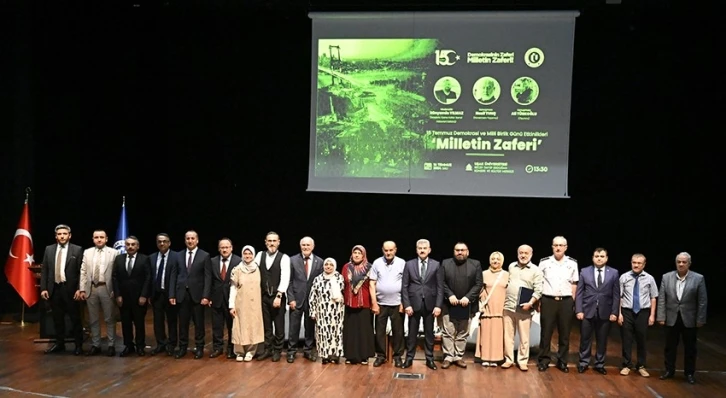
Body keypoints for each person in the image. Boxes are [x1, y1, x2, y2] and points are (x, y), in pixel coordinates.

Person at [657, 252, 708, 384]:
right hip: (671, 317)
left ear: (689, 264)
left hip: (689, 318)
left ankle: (689, 373)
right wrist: (661, 316)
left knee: (690, 348)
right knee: (670, 347)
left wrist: (700, 319)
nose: (681, 264)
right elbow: (662, 298)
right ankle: (669, 370)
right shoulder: (666, 277)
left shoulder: (698, 278)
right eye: (679, 261)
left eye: (684, 262)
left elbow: (702, 301)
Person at [40, 224, 84, 355]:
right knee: (57, 319)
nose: (62, 236)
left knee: (75, 318)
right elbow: (45, 270)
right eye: (59, 234)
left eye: (65, 234)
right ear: (56, 236)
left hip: (70, 289)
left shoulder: (77, 250)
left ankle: (78, 345)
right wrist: (44, 288)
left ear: (69, 235)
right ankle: (60, 344)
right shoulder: (49, 249)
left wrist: (79, 289)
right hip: (54, 289)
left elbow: (82, 271)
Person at [575, 248, 620, 374]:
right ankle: (583, 362)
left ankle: (599, 364)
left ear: (606, 258)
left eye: (602, 256)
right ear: (592, 258)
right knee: (585, 338)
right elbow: (579, 293)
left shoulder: (614, 273)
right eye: (596, 256)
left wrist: (614, 312)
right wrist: (579, 310)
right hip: (587, 310)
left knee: (602, 339)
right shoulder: (584, 271)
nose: (599, 258)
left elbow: (616, 294)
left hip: (605, 311)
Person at [537, 236, 578, 373]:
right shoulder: (544, 262)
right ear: (552, 247)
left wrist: (572, 300)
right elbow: (539, 283)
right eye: (556, 245)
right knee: (546, 333)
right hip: (548, 300)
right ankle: (544, 360)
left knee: (564, 334)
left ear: (566, 247)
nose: (558, 248)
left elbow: (574, 283)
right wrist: (539, 301)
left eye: (561, 245)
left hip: (565, 301)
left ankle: (562, 361)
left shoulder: (572, 263)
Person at [439, 242, 483, 369]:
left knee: (463, 332)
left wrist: (467, 297)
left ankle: (458, 356)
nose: (460, 252)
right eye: (457, 250)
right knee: (448, 331)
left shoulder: (475, 264)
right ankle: (448, 356)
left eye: (462, 250)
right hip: (449, 304)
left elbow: (478, 283)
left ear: (467, 252)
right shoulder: (446, 263)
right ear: (454, 251)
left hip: (466, 305)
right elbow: (441, 282)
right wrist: (450, 295)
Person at [401, 239, 442, 370]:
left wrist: (438, 305)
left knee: (429, 333)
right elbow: (404, 286)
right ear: (416, 250)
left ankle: (430, 359)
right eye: (420, 248)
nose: (422, 250)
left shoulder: (436, 265)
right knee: (412, 333)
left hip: (430, 304)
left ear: (429, 250)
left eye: (425, 248)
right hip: (413, 304)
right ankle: (409, 359)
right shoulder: (409, 264)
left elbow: (440, 287)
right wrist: (406, 304)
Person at [171, 230, 212, 359]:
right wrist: (172, 294)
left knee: (199, 323)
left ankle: (199, 348)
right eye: (188, 238)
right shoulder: (178, 255)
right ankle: (182, 347)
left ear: (197, 240)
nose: (190, 241)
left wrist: (206, 295)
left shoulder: (204, 256)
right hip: (182, 294)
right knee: (182, 323)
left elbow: (207, 277)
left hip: (198, 295)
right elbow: (173, 276)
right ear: (185, 240)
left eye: (192, 238)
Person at [501, 244, 543, 371]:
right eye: (521, 253)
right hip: (508, 307)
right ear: (517, 253)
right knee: (508, 336)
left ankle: (522, 360)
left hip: (525, 308)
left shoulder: (536, 270)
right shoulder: (511, 267)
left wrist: (530, 303)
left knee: (524, 337)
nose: (523, 255)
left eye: (526, 253)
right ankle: (508, 359)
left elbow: (539, 289)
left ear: (531, 254)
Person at [79, 229, 119, 357]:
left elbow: (116, 274)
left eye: (102, 237)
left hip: (107, 288)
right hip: (92, 288)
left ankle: (111, 345)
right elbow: (83, 271)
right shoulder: (87, 252)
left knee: (109, 318)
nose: (99, 239)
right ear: (93, 239)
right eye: (96, 237)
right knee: (93, 319)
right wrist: (82, 289)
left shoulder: (114, 252)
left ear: (106, 239)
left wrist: (115, 291)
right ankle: (96, 345)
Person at [618, 253, 658, 377]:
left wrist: (652, 315)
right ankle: (626, 365)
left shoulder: (649, 278)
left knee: (642, 339)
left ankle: (641, 365)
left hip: (643, 312)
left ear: (644, 264)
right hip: (627, 311)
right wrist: (619, 314)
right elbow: (619, 297)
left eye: (639, 263)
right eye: (634, 262)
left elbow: (653, 297)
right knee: (627, 339)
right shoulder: (624, 277)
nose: (636, 265)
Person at [255, 231, 291, 362]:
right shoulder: (260, 255)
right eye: (269, 241)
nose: (272, 243)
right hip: (264, 296)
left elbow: (285, 277)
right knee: (266, 325)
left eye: (274, 241)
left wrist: (279, 295)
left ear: (279, 242)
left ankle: (277, 350)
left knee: (279, 325)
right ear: (265, 242)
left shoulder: (284, 257)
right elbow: (252, 269)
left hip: (277, 297)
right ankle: (267, 349)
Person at [112, 236, 151, 357]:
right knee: (126, 323)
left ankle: (140, 346)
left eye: (133, 244)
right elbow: (114, 278)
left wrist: (144, 295)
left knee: (139, 323)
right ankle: (128, 346)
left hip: (139, 298)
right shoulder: (119, 259)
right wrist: (117, 295)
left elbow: (148, 278)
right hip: (123, 298)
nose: (130, 247)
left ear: (137, 246)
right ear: (125, 246)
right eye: (128, 244)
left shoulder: (144, 259)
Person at [287, 236, 324, 363]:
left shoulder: (319, 262)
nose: (306, 247)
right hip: (296, 300)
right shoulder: (292, 260)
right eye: (303, 245)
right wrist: (291, 298)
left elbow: (320, 283)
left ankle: (308, 350)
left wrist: (318, 301)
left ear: (313, 247)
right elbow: (289, 281)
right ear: (300, 246)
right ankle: (291, 351)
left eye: (308, 245)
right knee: (294, 327)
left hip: (312, 301)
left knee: (310, 327)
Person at [370, 240, 406, 368]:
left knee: (398, 331)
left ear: (395, 250)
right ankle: (380, 356)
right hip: (380, 303)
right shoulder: (377, 263)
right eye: (386, 250)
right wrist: (374, 303)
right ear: (382, 250)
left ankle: (397, 357)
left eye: (391, 250)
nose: (388, 252)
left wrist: (404, 303)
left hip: (397, 303)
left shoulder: (402, 263)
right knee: (379, 331)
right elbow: (372, 284)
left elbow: (406, 285)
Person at [229, 245, 264, 362]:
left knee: (253, 325)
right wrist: (231, 305)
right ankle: (239, 351)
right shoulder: (237, 269)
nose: (247, 256)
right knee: (239, 326)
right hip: (241, 303)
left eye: (250, 254)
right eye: (245, 254)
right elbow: (233, 288)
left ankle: (251, 351)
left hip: (255, 304)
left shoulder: (258, 269)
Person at [342, 245, 376, 365]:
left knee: (363, 330)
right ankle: (350, 356)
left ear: (363, 255)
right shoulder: (346, 267)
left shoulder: (370, 267)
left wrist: (374, 303)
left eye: (359, 253)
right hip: (349, 304)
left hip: (364, 304)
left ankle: (364, 356)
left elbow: (373, 286)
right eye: (354, 252)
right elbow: (343, 285)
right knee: (350, 331)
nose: (356, 255)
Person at [308, 257, 345, 364]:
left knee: (335, 333)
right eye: (326, 264)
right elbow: (312, 296)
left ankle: (335, 355)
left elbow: (342, 293)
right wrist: (313, 311)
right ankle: (325, 355)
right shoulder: (317, 279)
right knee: (322, 333)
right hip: (322, 312)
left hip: (336, 311)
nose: (328, 267)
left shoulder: (339, 278)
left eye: (331, 265)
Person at [148, 233, 180, 356]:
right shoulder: (151, 257)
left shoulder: (176, 257)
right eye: (159, 241)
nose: (162, 243)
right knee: (158, 321)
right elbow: (150, 277)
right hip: (156, 294)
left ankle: (172, 344)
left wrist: (173, 294)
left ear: (169, 243)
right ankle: (161, 343)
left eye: (164, 241)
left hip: (170, 294)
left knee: (171, 320)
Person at [475, 251, 509, 367]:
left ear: (502, 261)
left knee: (497, 335)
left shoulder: (506, 275)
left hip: (500, 310)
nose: (495, 261)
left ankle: (496, 358)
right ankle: (485, 357)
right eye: (493, 259)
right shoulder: (484, 274)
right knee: (486, 334)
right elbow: (478, 290)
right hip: (487, 309)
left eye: (498, 259)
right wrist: (481, 302)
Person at [209, 238, 241, 359]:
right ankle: (217, 348)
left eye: (227, 247)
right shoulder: (212, 261)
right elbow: (209, 280)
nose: (224, 249)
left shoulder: (238, 261)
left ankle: (231, 349)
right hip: (216, 298)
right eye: (222, 247)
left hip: (231, 299)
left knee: (231, 325)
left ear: (231, 248)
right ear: (219, 249)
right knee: (217, 325)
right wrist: (208, 296)